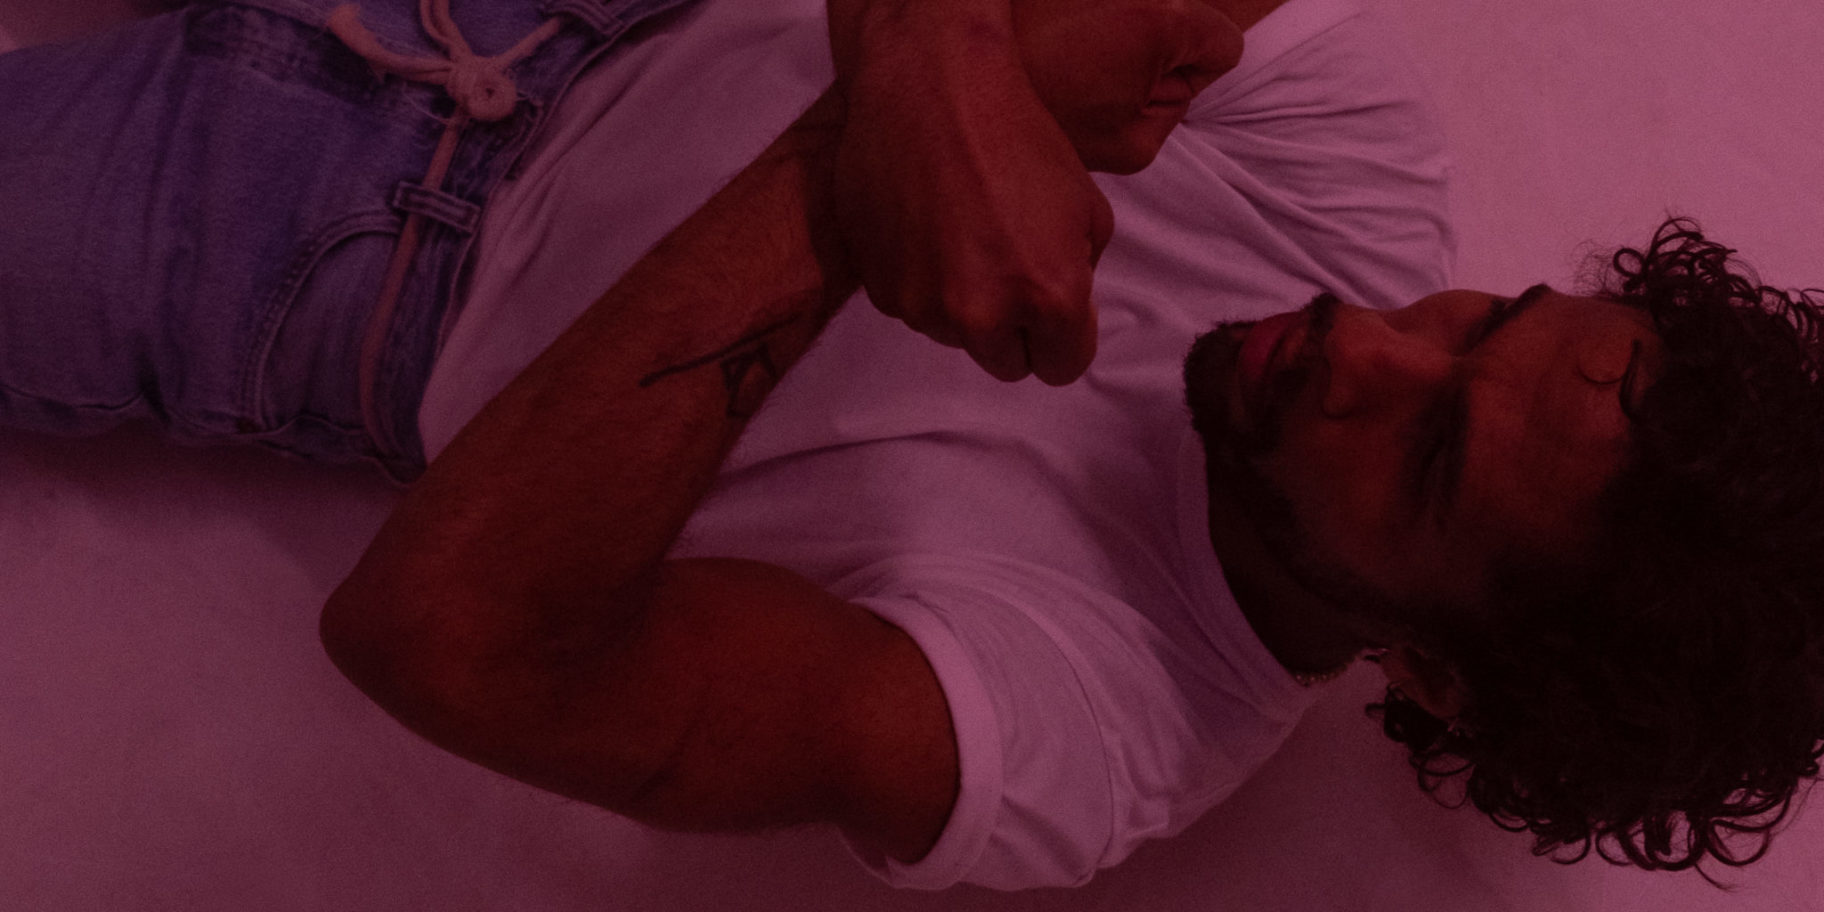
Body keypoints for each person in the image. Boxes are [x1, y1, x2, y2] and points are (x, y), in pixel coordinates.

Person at [5, 0, 1820, 894]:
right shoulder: (1358, 173)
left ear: (1434, 668)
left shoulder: (1086, 727)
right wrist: (925, 58)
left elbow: (450, 636)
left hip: (330, 250)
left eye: (1424, 459)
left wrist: (857, 160)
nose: (1370, 339)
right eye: (1485, 322)